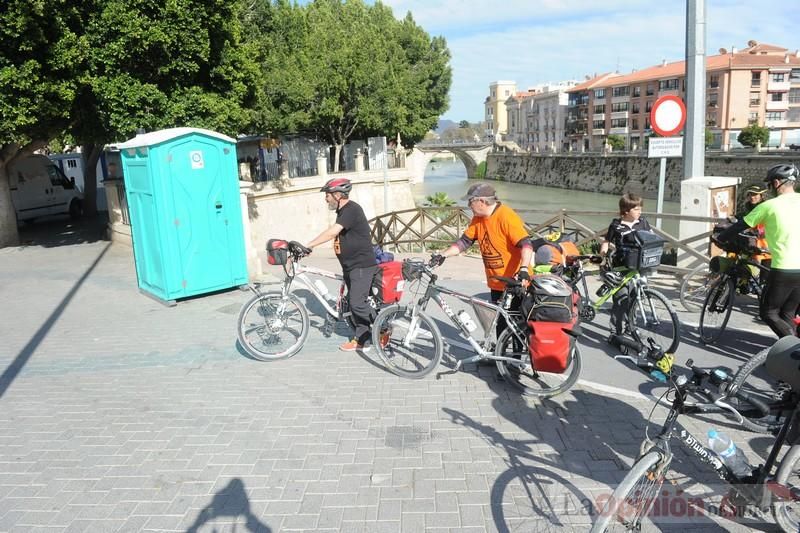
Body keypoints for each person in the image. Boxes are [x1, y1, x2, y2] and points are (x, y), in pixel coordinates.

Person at [432, 182, 533, 312]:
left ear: (481, 201)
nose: (468, 205)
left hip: (516, 284)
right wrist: (443, 255)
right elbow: (464, 242)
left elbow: (526, 244)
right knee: (500, 327)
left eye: (470, 202)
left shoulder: (506, 216)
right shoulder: (478, 219)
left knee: (515, 327)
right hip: (496, 284)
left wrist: (524, 268)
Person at [306, 178, 378, 351]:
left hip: (361, 265)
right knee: (354, 304)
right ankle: (363, 340)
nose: (326, 199)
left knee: (357, 303)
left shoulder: (351, 209)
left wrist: (309, 245)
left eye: (328, 195)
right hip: (351, 266)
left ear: (338, 195)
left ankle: (382, 325)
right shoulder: (343, 211)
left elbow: (333, 232)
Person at [742, 164, 800, 338]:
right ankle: (788, 356)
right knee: (788, 313)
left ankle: (794, 347)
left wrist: (721, 238)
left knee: (768, 312)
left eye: (769, 185)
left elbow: (740, 225)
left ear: (776, 183)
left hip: (784, 267)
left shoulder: (770, 205)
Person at [599, 193, 652, 335]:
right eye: (636, 209)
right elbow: (606, 241)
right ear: (626, 211)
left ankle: (631, 328)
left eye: (640, 208)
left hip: (639, 266)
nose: (640, 211)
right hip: (620, 266)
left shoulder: (643, 222)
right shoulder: (616, 225)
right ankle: (615, 331)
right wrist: (603, 256)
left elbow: (652, 239)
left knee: (635, 298)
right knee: (621, 299)